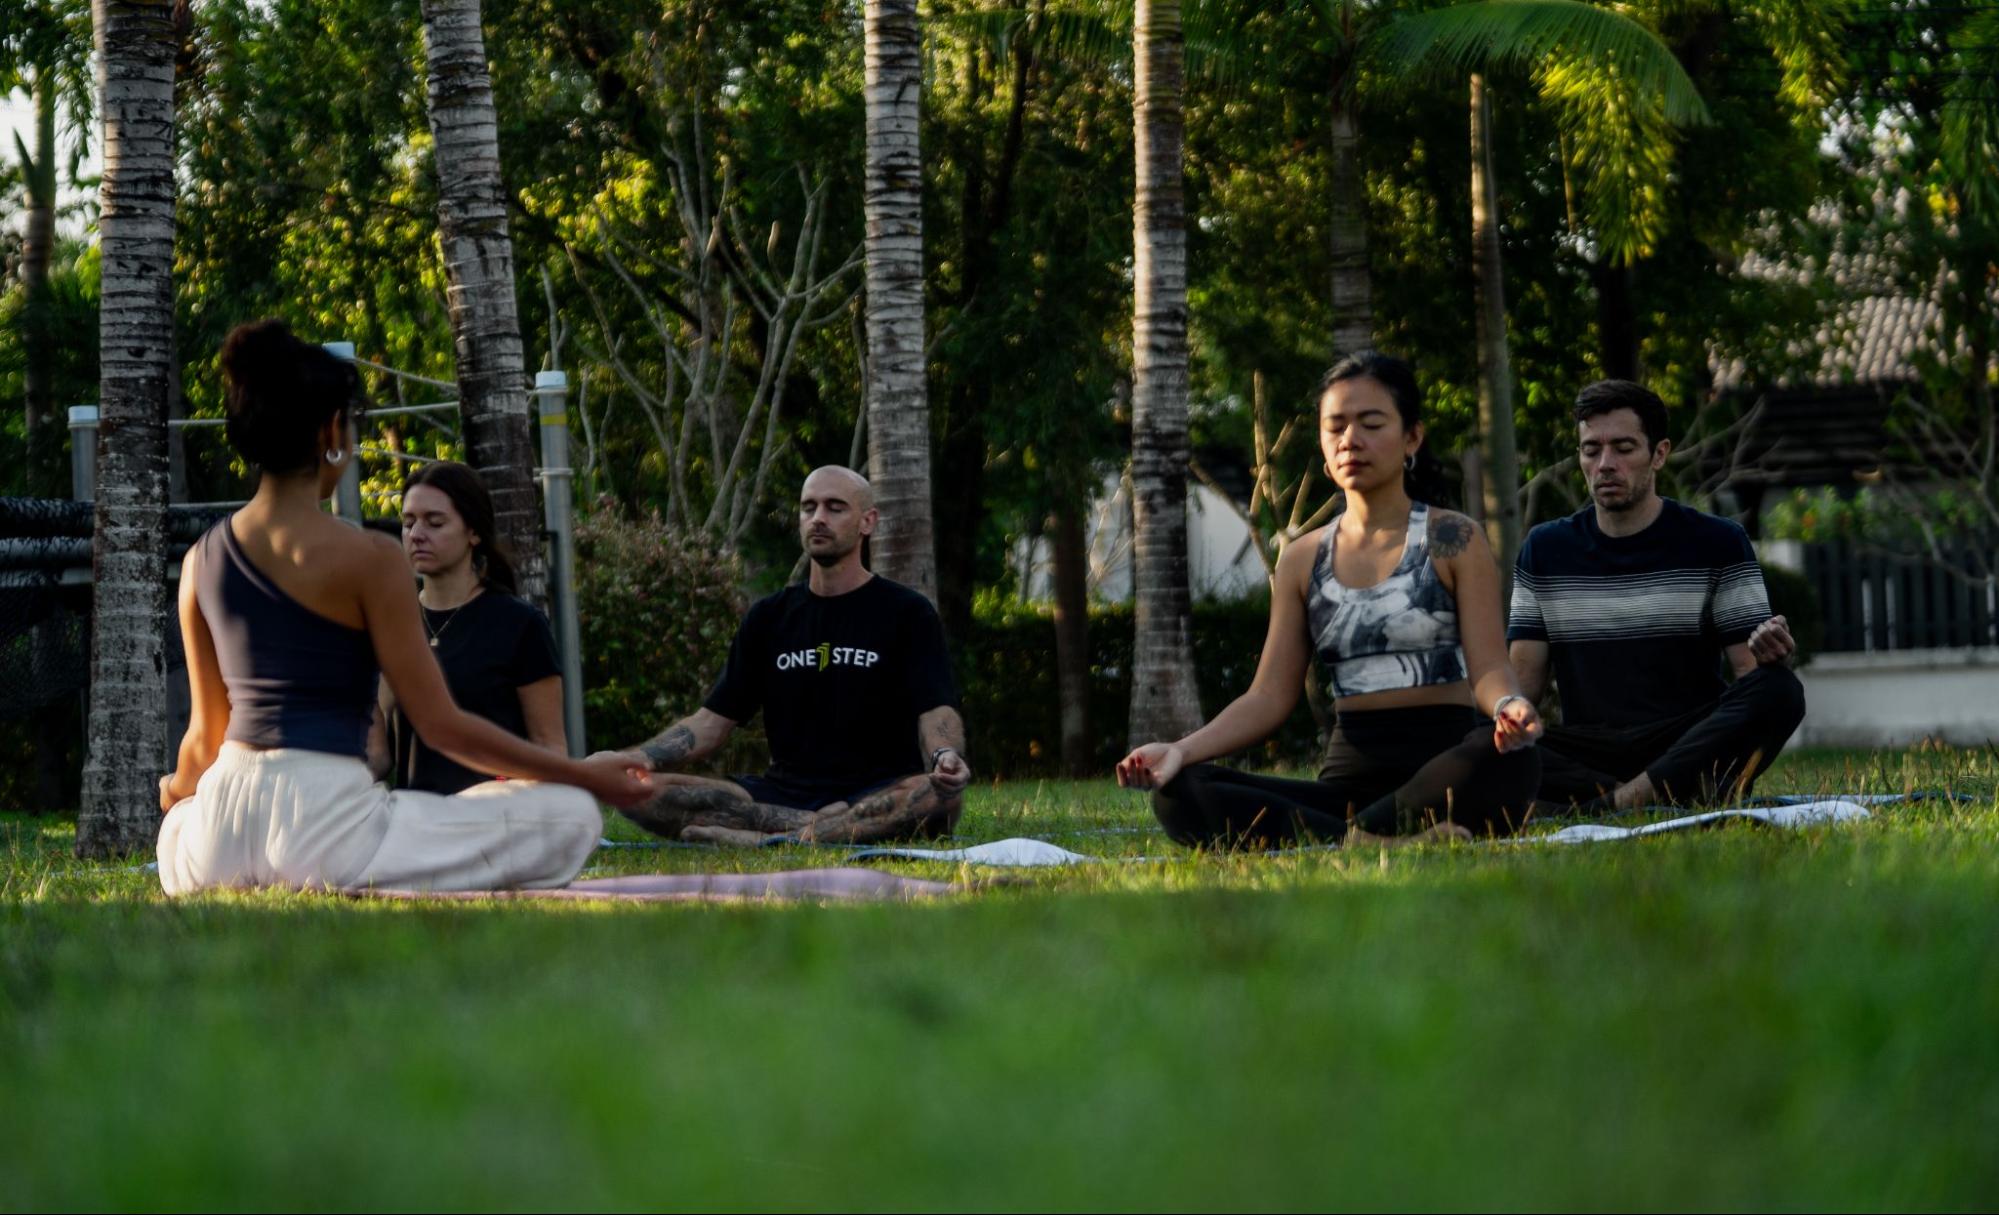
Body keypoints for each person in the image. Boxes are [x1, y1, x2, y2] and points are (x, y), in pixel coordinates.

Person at [155, 320, 652, 894]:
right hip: (328, 831)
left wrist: (177, 792)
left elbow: (204, 737)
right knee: (573, 814)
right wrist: (585, 776)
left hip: (217, 838)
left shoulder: (200, 560)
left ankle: (215, 853)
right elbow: (443, 727)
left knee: (179, 827)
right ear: (331, 433)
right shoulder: (372, 557)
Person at [1116, 352, 1543, 848]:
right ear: (1322, 446)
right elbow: (1268, 697)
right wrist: (1179, 751)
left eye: (1371, 423)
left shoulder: (1454, 538)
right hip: (1346, 787)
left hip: (1444, 769)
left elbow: (1489, 666)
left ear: (1412, 438)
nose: (1350, 440)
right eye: (1335, 426)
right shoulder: (1302, 557)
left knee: (1516, 758)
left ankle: (1349, 839)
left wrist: (1510, 705)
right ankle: (1370, 839)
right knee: (1181, 792)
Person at [598, 465, 970, 846]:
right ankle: (821, 828)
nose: (818, 518)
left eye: (835, 507)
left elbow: (936, 708)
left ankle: (771, 838)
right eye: (809, 508)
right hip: (781, 793)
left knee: (938, 795)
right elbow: (710, 724)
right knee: (638, 790)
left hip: (877, 789)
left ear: (867, 521)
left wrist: (945, 755)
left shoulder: (907, 612)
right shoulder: (769, 618)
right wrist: (633, 759)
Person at [1508, 379, 1806, 810]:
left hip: (1685, 742)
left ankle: (1618, 802)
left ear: (1659, 454)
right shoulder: (1545, 549)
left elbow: (1750, 674)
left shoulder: (1717, 542)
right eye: (1592, 450)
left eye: (1624, 448)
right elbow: (1522, 689)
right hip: (1588, 749)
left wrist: (1771, 652)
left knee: (1780, 689)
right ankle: (1651, 796)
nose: (1605, 464)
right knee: (1479, 730)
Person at [369, 461, 566, 794]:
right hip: (413, 824)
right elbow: (377, 756)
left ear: (473, 532)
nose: (416, 535)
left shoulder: (520, 625)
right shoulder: (386, 624)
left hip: (496, 819)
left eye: (434, 523)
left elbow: (550, 750)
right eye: (408, 522)